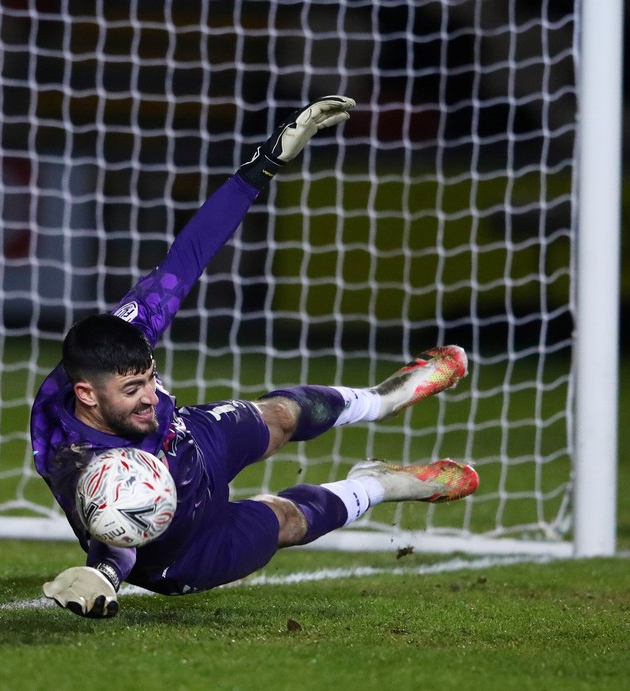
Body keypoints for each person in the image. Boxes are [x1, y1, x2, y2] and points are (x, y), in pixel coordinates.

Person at [32, 96, 478, 618]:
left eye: (150, 379)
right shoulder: (75, 456)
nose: (151, 396)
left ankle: (382, 400)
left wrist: (260, 167)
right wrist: (102, 574)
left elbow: (190, 253)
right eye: (132, 392)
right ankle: (377, 485)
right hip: (181, 546)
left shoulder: (127, 338)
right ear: (86, 395)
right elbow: (119, 522)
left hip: (190, 441)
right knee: (287, 519)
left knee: (280, 415)